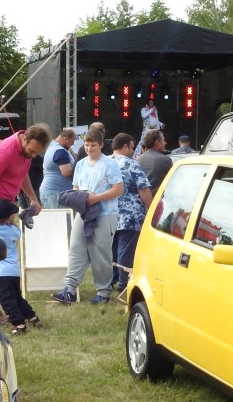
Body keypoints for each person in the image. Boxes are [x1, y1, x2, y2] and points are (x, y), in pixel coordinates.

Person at [51, 128, 124, 305]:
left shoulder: (109, 164)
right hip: (83, 212)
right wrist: (81, 197)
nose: (89, 148)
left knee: (100, 253)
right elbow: (76, 187)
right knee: (76, 248)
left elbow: (118, 189)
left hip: (105, 213)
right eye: (86, 145)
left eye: (93, 145)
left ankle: (103, 291)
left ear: (101, 145)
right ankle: (70, 289)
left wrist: (96, 198)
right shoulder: (81, 164)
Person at [0, 198, 42, 336]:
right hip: (14, 271)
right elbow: (18, 232)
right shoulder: (12, 231)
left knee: (7, 300)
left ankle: (19, 324)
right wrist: (12, 222)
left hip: (0, 273)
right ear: (9, 217)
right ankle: (32, 317)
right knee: (17, 297)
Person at [0, 124, 48, 231]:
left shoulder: (26, 151)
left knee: (10, 237)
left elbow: (22, 173)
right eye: (32, 151)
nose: (33, 156)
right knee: (0, 240)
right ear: (24, 140)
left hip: (5, 205)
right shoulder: (6, 151)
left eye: (37, 153)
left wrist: (33, 199)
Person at [110, 133, 153, 292]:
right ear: (125, 146)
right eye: (132, 147)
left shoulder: (104, 162)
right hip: (130, 214)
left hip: (108, 213)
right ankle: (124, 284)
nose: (133, 151)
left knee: (111, 249)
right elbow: (143, 189)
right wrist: (152, 209)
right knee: (126, 250)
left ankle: (109, 281)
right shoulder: (131, 164)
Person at [38, 127, 77, 208]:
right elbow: (67, 172)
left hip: (51, 192)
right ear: (66, 139)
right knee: (61, 216)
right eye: (72, 142)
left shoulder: (53, 145)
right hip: (56, 194)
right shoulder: (60, 152)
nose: (72, 144)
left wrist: (71, 152)